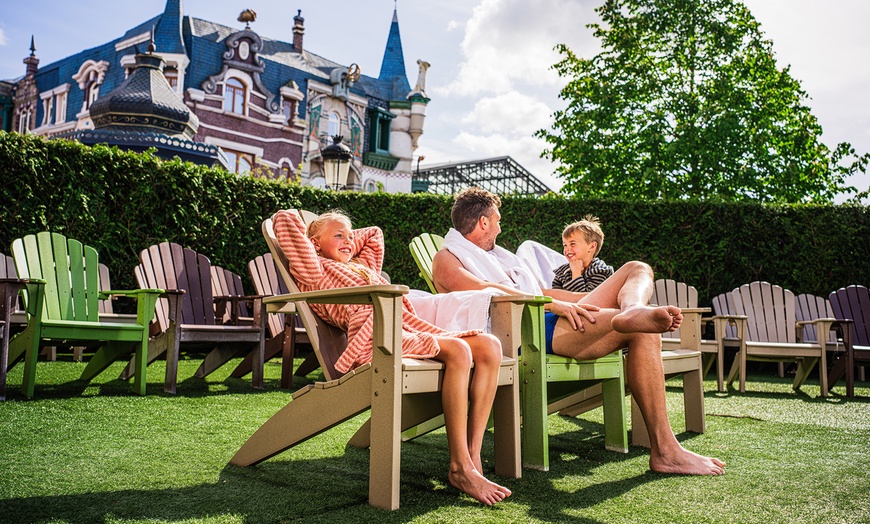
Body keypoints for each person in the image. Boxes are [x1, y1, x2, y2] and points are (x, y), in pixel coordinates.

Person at [431, 188, 726, 476]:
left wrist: (584, 298)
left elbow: (541, 291)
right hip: (529, 331)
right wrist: (552, 304)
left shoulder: (498, 257)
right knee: (644, 331)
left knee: (637, 268)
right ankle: (665, 450)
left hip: (549, 315)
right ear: (483, 222)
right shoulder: (447, 257)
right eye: (497, 221)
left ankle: (632, 308)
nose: (499, 228)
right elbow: (484, 289)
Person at [272, 209, 512, 505]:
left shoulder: (361, 267)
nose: (348, 241)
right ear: (313, 244)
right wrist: (317, 235)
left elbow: (374, 234)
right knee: (459, 350)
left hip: (403, 325)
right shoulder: (313, 268)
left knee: (490, 346)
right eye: (339, 236)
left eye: (350, 236)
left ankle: (472, 458)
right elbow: (284, 219)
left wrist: (342, 237)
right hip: (374, 338)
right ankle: (459, 467)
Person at [552, 216, 614, 293]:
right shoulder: (562, 272)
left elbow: (586, 298)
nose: (567, 249)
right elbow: (555, 295)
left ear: (591, 246)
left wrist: (576, 273)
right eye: (565, 245)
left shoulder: (600, 270)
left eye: (572, 244)